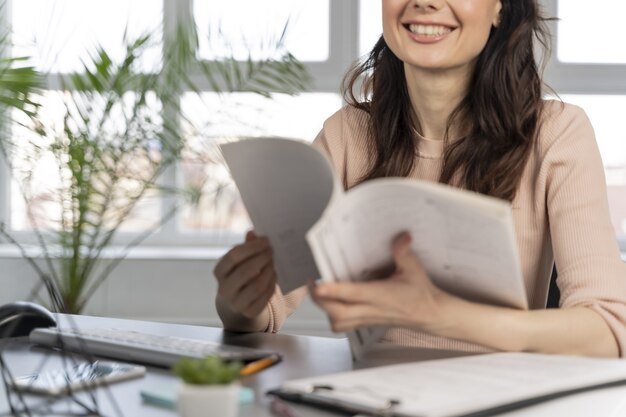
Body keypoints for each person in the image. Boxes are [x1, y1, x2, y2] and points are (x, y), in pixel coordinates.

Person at [213, 0, 626, 357]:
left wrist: (441, 315)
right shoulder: (347, 134)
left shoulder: (556, 133)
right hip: (372, 400)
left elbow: (610, 329)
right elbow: (263, 309)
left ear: (500, 7)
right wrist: (239, 301)